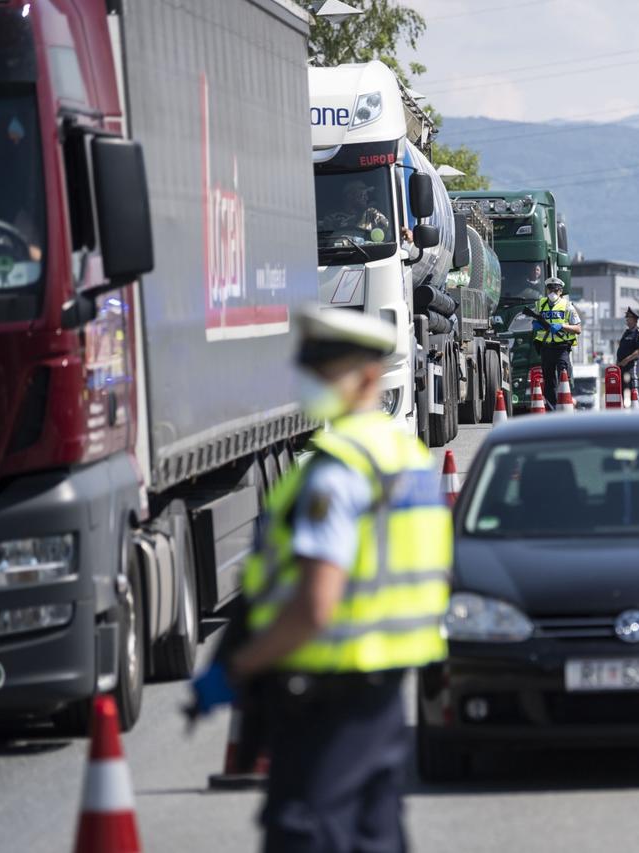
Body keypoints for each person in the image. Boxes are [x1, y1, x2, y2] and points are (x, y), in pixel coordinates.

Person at [190, 306, 451, 852]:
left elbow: (314, 606)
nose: (312, 382)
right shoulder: (405, 456)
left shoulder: (338, 470)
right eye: (310, 368)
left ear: (369, 377)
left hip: (325, 696)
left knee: (306, 833)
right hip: (382, 690)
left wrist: (237, 669)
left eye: (326, 370)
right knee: (374, 835)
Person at [532, 277, 582, 409]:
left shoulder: (567, 306)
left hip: (562, 348)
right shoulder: (540, 304)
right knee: (549, 381)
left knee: (564, 376)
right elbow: (534, 321)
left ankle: (567, 406)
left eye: (556, 289)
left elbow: (578, 329)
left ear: (561, 291)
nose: (552, 292)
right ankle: (552, 408)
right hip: (546, 348)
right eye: (550, 289)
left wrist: (562, 326)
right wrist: (536, 325)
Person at [319, 178, 392, 240]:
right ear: (350, 196)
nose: (367, 198)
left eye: (367, 195)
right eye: (363, 194)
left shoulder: (372, 214)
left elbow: (389, 230)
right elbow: (328, 240)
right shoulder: (333, 217)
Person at [616, 306, 639, 399]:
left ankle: (636, 409)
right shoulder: (626, 333)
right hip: (622, 366)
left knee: (634, 387)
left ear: (634, 320)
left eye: (629, 318)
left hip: (632, 365)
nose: (627, 320)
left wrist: (626, 360)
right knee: (623, 389)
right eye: (627, 318)